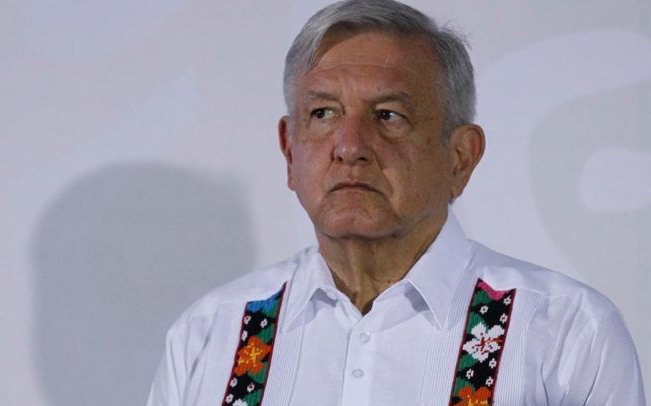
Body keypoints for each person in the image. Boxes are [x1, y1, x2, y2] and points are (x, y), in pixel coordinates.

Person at [147, 0, 646, 404]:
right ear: (289, 150)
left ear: (460, 157)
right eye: (323, 114)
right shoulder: (210, 334)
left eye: (387, 115)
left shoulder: (567, 333)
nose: (350, 146)